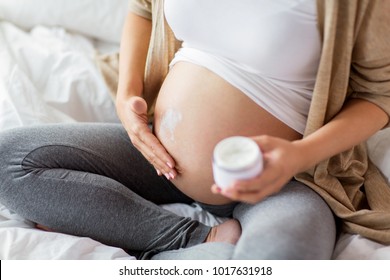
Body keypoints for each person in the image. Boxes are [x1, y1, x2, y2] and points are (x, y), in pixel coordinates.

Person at [1, 0, 390, 260]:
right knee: (10, 160)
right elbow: (143, 8)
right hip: (156, 155)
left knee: (284, 254)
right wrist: (127, 96)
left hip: (281, 179)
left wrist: (299, 156)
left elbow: (380, 93)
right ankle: (193, 242)